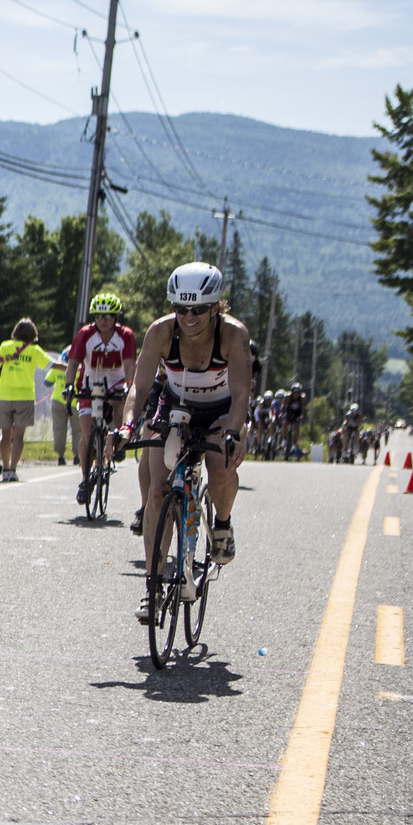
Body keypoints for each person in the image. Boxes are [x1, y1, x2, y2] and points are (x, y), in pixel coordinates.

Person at [125, 262, 251, 626]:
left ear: (216, 307)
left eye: (197, 310)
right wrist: (128, 425)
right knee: (156, 491)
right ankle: (153, 587)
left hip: (220, 409)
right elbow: (141, 386)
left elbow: (242, 393)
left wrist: (235, 431)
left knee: (220, 464)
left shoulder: (233, 335)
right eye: (181, 308)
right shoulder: (161, 332)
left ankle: (222, 525)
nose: (188, 317)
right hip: (175, 403)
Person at [67, 292, 138, 505]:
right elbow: (72, 364)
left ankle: (118, 443)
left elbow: (129, 364)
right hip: (90, 384)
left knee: (119, 404)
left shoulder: (125, 335)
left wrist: (128, 385)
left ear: (115, 317)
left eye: (107, 316)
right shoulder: (85, 334)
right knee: (87, 434)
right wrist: (69, 386)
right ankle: (84, 479)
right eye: (98, 316)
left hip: (116, 383)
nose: (103, 321)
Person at [0, 320, 51, 482]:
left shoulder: (5, 346)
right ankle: (13, 469)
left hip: (5, 395)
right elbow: (52, 365)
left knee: (5, 435)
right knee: (18, 436)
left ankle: (4, 468)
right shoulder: (34, 350)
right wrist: (72, 367)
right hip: (24, 397)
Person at [44, 352, 72, 465]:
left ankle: (61, 456)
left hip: (57, 399)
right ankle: (77, 456)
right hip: (74, 402)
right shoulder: (78, 369)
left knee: (59, 429)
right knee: (78, 430)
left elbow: (47, 382)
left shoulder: (57, 368)